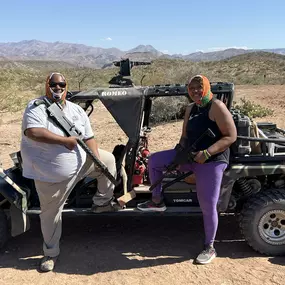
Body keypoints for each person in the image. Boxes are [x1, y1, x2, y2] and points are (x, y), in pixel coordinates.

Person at [21, 72, 119, 272]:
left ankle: (101, 202)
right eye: (54, 84)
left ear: (67, 86)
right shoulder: (36, 107)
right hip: (51, 174)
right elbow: (33, 131)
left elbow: (89, 137)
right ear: (47, 86)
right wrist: (64, 141)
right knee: (50, 215)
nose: (58, 88)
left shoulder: (76, 110)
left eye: (62, 84)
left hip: (80, 165)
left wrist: (96, 158)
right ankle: (50, 253)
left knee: (108, 161)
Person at [137, 75, 237, 265]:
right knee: (155, 161)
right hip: (190, 156)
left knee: (208, 204)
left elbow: (230, 136)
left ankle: (210, 247)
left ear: (207, 87)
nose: (196, 91)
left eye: (199, 87)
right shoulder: (191, 108)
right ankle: (157, 200)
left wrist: (207, 153)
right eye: (191, 88)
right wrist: (178, 155)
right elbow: (184, 136)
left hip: (212, 161)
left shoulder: (216, 106)